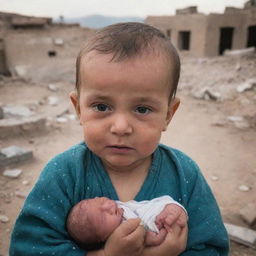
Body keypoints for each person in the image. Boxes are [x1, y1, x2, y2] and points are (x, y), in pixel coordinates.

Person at [9, 22, 229, 256]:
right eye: (102, 106)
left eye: (142, 109)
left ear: (168, 115)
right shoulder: (64, 174)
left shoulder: (185, 174)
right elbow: (29, 248)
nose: (121, 127)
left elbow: (212, 247)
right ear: (78, 109)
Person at [66, 196, 188, 249]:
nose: (108, 206)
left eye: (101, 201)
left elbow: (147, 206)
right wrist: (148, 239)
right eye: (103, 217)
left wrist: (169, 206)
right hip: (162, 226)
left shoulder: (121, 207)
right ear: (103, 239)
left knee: (170, 206)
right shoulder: (119, 237)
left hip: (160, 212)